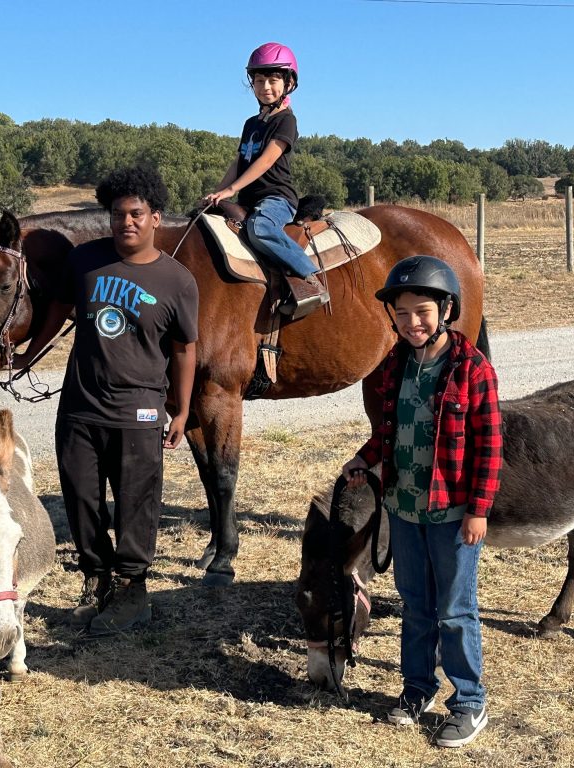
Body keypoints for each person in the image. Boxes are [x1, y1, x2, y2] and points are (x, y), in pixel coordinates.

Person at [340, 255, 502, 748]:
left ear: (446, 309)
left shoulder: (472, 369)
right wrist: (361, 462)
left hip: (453, 513)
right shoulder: (396, 365)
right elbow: (388, 432)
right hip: (405, 508)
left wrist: (478, 509)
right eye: (403, 313)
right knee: (415, 605)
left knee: (455, 609)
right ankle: (417, 689)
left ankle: (470, 702)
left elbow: (491, 445)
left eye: (423, 311)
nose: (412, 322)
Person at [55, 166, 198, 636]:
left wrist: (180, 408)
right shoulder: (84, 262)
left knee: (137, 502)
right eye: (118, 214)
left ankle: (133, 591)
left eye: (136, 213)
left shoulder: (177, 280)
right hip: (79, 406)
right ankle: (97, 582)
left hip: (138, 410)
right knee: (81, 499)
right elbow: (52, 313)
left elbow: (183, 349)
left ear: (156, 217)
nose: (126, 222)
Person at [203, 42, 328, 305]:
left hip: (276, 198)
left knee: (260, 229)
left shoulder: (286, 121)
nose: (265, 87)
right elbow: (239, 161)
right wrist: (219, 191)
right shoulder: (250, 123)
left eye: (273, 80)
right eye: (259, 81)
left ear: (288, 84)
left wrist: (232, 190)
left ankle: (310, 277)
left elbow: (266, 159)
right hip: (248, 198)